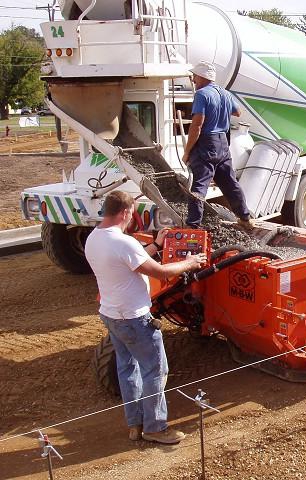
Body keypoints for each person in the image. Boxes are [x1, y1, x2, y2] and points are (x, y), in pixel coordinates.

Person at [85, 191, 207, 444]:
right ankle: (155, 428)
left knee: (127, 368)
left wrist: (156, 245)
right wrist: (191, 262)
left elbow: (129, 260)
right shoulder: (123, 243)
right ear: (125, 213)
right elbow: (161, 273)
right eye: (131, 214)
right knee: (155, 370)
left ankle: (135, 423)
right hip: (134, 318)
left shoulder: (94, 238)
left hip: (111, 315)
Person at [182, 60, 252, 230]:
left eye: (195, 77)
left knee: (199, 185)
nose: (193, 80)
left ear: (203, 77)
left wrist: (187, 152)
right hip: (223, 144)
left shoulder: (202, 94)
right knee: (230, 183)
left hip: (207, 143)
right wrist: (221, 109)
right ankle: (245, 218)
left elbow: (196, 126)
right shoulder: (225, 94)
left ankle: (193, 226)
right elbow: (238, 112)